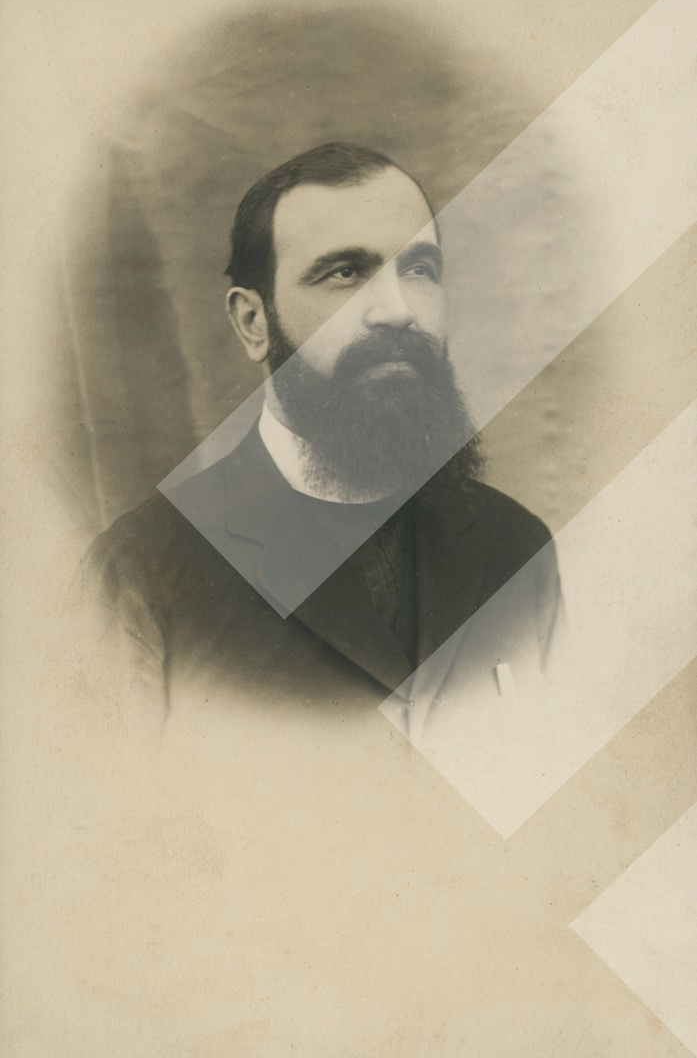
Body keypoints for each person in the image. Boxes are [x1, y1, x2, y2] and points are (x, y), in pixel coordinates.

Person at [86, 142, 562, 730]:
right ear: (253, 323)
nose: (398, 311)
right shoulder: (143, 572)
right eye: (345, 273)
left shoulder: (517, 548)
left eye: (418, 269)